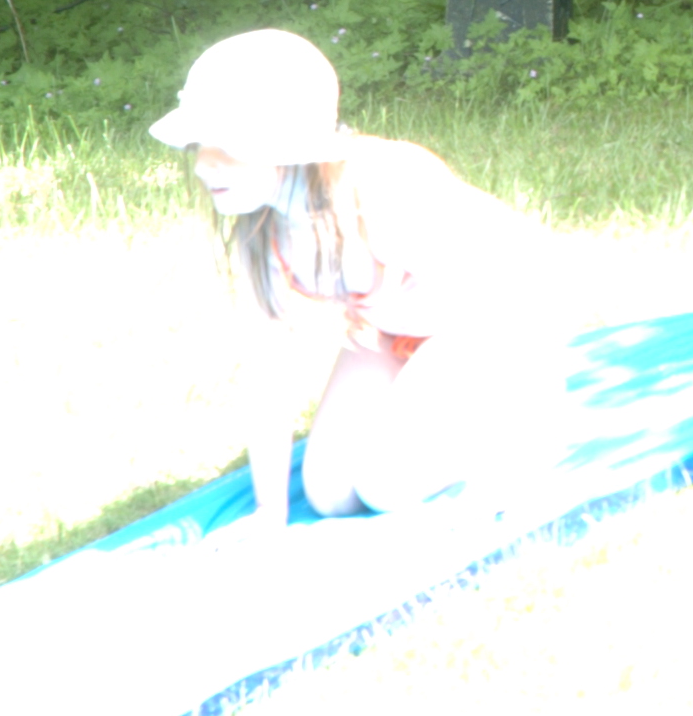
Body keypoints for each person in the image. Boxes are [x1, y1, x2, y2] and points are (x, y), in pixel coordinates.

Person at [149, 28, 557, 521]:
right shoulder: (262, 230)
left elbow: (500, 303)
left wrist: (516, 434)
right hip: (398, 332)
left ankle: (499, 428)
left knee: (384, 486)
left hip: (496, 320)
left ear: (285, 145)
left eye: (227, 148)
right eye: (199, 146)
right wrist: (269, 512)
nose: (202, 167)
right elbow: (267, 375)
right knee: (330, 494)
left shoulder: (381, 187)